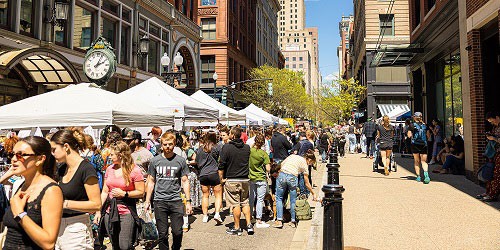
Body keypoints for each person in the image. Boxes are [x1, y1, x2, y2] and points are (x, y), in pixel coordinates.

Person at [2, 136, 63, 250]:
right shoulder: (21, 186)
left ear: (40, 159)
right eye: (12, 154)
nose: (14, 159)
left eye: (20, 155)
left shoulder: (51, 190)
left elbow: (48, 243)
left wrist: (20, 214)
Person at [50, 128, 101, 249]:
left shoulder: (86, 169)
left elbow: (96, 204)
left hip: (77, 228)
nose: (52, 153)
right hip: (59, 227)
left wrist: (65, 203)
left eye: (54, 149)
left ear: (66, 147)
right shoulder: (62, 168)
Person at [144, 131, 192, 250]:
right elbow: (151, 181)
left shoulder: (180, 160)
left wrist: (188, 201)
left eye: (170, 144)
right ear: (161, 145)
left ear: (174, 144)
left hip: (176, 200)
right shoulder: (155, 161)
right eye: (165, 144)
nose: (167, 147)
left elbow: (185, 181)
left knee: (177, 231)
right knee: (162, 233)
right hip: (160, 201)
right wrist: (147, 200)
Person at [94, 141, 144, 250]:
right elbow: (105, 192)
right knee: (114, 245)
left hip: (126, 211)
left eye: (112, 154)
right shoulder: (109, 169)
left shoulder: (134, 170)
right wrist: (98, 211)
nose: (109, 157)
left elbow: (141, 192)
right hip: (109, 211)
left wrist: (125, 194)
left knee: (125, 246)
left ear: (120, 155)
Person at [218, 127, 253, 236]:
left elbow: (221, 165)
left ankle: (237, 227)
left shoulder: (226, 147)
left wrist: (221, 179)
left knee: (235, 203)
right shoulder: (247, 148)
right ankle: (249, 224)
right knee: (245, 202)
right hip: (245, 179)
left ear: (232, 136)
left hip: (232, 178)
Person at [273, 150, 317, 229]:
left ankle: (279, 220)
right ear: (309, 160)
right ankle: (293, 221)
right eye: (311, 163)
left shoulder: (292, 156)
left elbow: (282, 164)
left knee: (279, 198)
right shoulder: (304, 164)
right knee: (293, 200)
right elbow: (306, 182)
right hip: (292, 177)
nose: (310, 165)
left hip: (282, 174)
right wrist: (313, 193)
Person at [194, 132, 223, 224]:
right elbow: (221, 160)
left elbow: (197, 161)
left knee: (205, 195)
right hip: (214, 173)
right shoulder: (217, 147)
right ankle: (217, 213)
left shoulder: (200, 149)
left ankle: (205, 216)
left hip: (203, 174)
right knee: (218, 195)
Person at [248, 133, 271, 229]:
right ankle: (258, 220)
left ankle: (249, 217)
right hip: (261, 178)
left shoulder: (250, 151)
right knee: (260, 199)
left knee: (251, 198)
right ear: (263, 143)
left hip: (251, 177)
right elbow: (268, 168)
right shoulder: (264, 154)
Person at [479, 112, 500, 202]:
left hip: (498, 154)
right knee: (491, 173)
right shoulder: (495, 127)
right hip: (494, 154)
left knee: (496, 175)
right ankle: (488, 192)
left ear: (497, 117)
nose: (492, 123)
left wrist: (494, 138)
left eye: (492, 121)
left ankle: (492, 194)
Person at [407, 112, 430, 184]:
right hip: (424, 144)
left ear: (414, 117)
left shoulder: (411, 125)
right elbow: (428, 136)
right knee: (424, 161)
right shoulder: (425, 125)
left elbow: (409, 135)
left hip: (415, 145)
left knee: (417, 161)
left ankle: (418, 177)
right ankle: (426, 175)